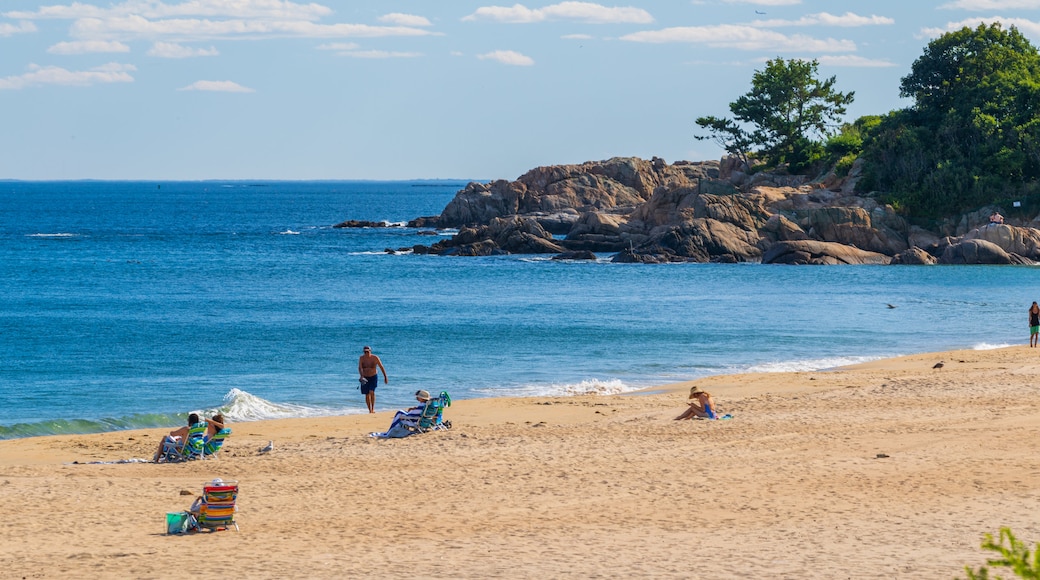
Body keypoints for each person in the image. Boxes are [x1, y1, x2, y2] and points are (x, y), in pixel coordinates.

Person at [358, 345, 388, 414]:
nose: (366, 353)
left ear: (370, 351)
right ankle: (370, 410)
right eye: (365, 352)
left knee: (371, 391)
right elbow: (360, 368)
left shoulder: (375, 358)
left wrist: (385, 377)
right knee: (366, 394)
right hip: (365, 377)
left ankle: (373, 408)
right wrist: (361, 376)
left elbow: (381, 367)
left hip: (373, 376)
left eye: (367, 352)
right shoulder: (361, 358)